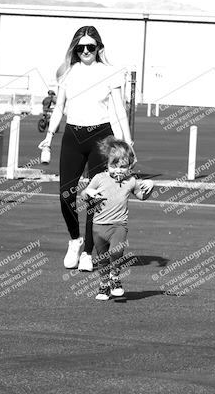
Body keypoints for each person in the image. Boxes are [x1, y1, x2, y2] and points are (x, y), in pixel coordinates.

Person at [38, 25, 134, 273]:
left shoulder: (111, 73)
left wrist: (128, 141)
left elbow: (119, 110)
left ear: (99, 48)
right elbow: (59, 107)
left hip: (101, 138)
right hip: (72, 135)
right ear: (75, 48)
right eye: (81, 47)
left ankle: (89, 253)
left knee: (95, 195)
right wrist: (49, 136)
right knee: (66, 195)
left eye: (91, 46)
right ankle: (75, 240)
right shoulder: (67, 73)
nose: (86, 51)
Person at [81, 136, 154, 300]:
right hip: (98, 226)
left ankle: (115, 278)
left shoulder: (131, 181)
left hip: (119, 225)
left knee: (117, 251)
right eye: (114, 165)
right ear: (107, 163)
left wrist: (151, 186)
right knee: (102, 259)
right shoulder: (99, 178)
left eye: (123, 167)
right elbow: (84, 194)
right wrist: (88, 193)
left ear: (129, 166)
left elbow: (142, 196)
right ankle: (104, 286)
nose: (118, 170)